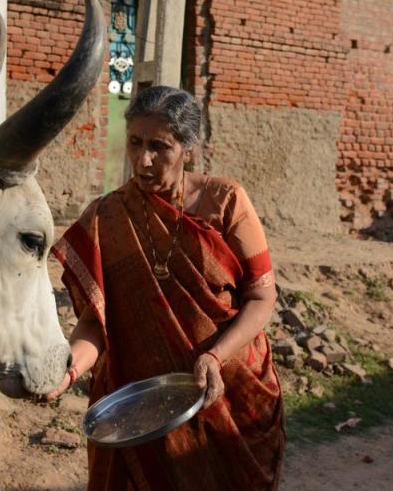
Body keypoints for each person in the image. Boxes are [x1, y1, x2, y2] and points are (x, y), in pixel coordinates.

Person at [46, 85, 285, 490]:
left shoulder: (226, 202)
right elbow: (96, 323)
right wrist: (65, 373)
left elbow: (262, 297)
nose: (144, 160)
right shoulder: (107, 217)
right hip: (138, 403)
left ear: (188, 148)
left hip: (224, 388)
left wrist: (214, 355)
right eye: (135, 143)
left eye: (160, 146)